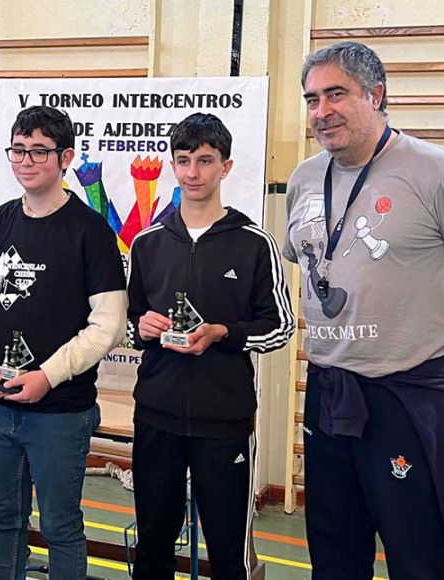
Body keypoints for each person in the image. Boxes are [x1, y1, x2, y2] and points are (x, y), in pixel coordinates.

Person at [285, 41, 444, 579]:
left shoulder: (439, 171)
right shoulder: (306, 178)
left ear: (376, 95)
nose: (320, 111)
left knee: (419, 559)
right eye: (312, 99)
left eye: (336, 94)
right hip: (331, 392)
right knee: (333, 558)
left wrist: (433, 334)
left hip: (409, 396)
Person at [127, 112, 294, 580]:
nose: (193, 173)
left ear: (227, 166)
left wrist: (223, 333)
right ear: (173, 166)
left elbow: (280, 327)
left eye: (205, 161)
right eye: (183, 161)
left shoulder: (254, 243)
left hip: (224, 419)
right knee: (154, 544)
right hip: (156, 414)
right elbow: (127, 322)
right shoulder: (147, 243)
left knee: (227, 551)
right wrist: (142, 326)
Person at [0, 105, 127, 579]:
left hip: (60, 410)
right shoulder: (1, 221)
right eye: (18, 149)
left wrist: (46, 377)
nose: (26, 160)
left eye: (39, 151)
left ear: (66, 158)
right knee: (6, 522)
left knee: (60, 526)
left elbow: (109, 325)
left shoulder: (91, 230)